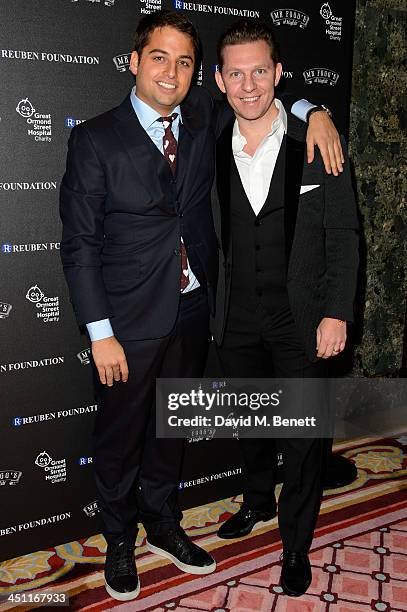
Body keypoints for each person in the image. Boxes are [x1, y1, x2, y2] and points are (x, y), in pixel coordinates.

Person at [60, 9, 344, 602]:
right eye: (158, 58)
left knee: (171, 433)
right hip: (126, 325)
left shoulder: (202, 120)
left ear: (199, 75)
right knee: (120, 438)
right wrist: (99, 330)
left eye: (184, 61)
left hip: (194, 313)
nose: (171, 72)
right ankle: (118, 539)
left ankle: (162, 523)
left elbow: (264, 95)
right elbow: (80, 244)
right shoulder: (94, 138)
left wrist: (313, 112)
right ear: (134, 63)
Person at [211, 20, 359, 597]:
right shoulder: (208, 139)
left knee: (301, 441)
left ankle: (296, 544)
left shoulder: (315, 141)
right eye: (236, 73)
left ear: (278, 74)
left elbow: (345, 233)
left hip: (300, 320)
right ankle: (255, 502)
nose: (249, 85)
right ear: (219, 80)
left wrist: (336, 311)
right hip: (236, 319)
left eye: (259, 71)